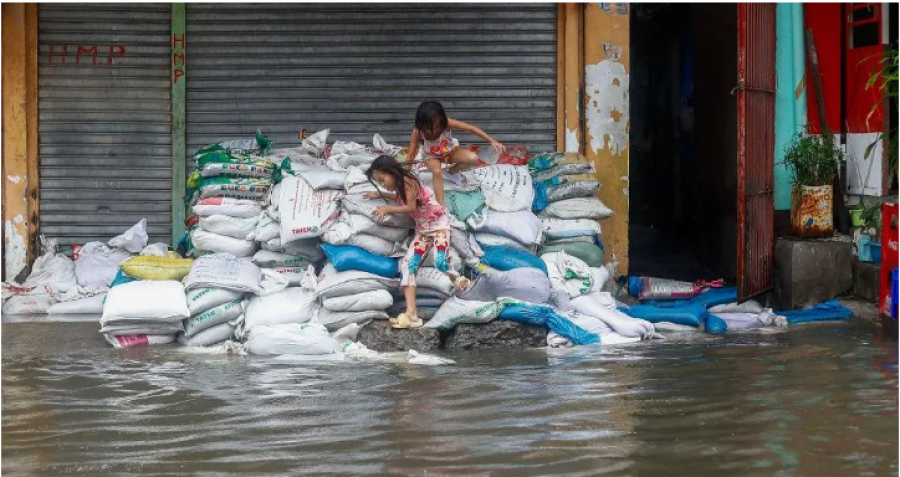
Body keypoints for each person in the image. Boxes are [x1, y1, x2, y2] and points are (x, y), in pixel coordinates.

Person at [365, 155, 470, 329]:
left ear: (392, 172)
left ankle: (457, 279)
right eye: (379, 182)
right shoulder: (399, 186)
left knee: (440, 261)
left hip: (439, 225)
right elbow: (400, 197)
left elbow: (411, 207)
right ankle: (411, 314)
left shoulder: (408, 181)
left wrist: (387, 208)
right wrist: (379, 194)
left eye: (382, 180)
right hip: (423, 231)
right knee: (408, 267)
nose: (382, 184)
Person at [407, 101, 505, 206]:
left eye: (437, 127)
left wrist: (492, 141)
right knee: (436, 171)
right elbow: (411, 154)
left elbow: (471, 128)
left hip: (450, 152)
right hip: (431, 156)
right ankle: (441, 205)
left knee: (473, 158)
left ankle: (452, 171)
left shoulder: (447, 123)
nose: (434, 131)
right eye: (429, 128)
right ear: (421, 124)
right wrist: (404, 175)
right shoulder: (417, 132)